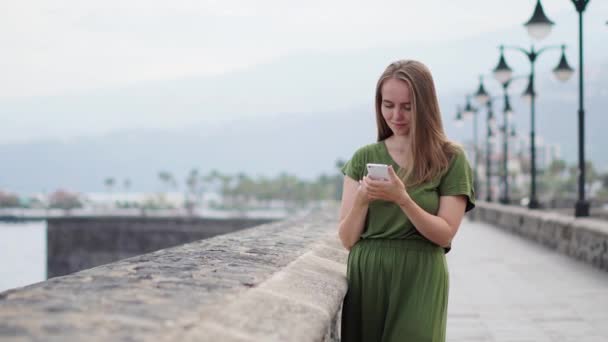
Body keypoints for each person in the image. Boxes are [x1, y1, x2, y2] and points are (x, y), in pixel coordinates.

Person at [338, 60, 475, 342]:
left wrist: (403, 200)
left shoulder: (450, 159)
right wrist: (362, 200)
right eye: (388, 105)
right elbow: (348, 238)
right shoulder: (363, 157)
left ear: (425, 106)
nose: (396, 115)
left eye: (407, 107)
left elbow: (445, 233)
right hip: (368, 275)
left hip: (421, 274)